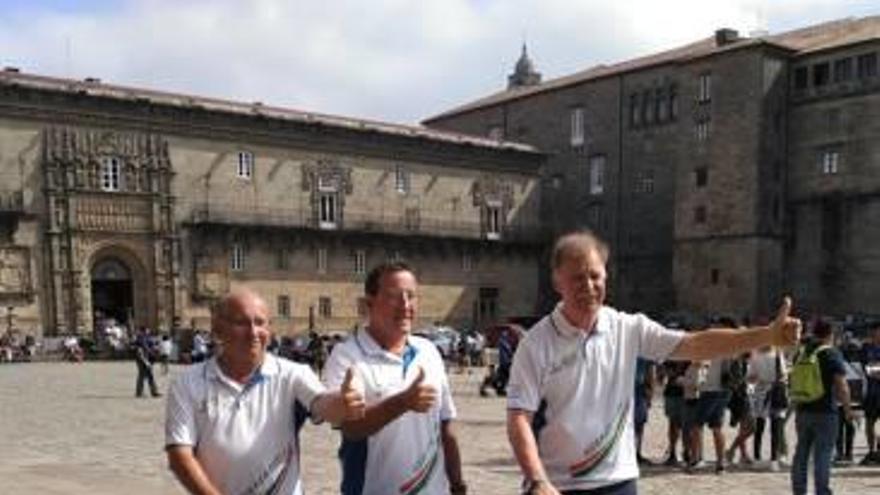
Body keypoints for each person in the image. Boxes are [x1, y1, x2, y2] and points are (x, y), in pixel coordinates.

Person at [506, 230, 801, 495]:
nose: (588, 286)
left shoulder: (628, 328)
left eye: (595, 276)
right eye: (577, 278)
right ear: (557, 280)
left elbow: (695, 344)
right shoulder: (536, 344)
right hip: (558, 485)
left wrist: (765, 335)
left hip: (619, 482)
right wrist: (536, 479)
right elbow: (519, 417)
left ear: (606, 276)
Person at [165, 289, 365, 495]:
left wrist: (342, 404)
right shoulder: (187, 383)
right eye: (241, 323)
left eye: (260, 323)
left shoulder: (292, 374)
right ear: (217, 330)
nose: (253, 332)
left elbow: (322, 404)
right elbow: (179, 455)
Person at [322, 262, 467, 495]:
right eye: (394, 297)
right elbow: (350, 428)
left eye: (411, 296)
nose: (405, 306)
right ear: (369, 303)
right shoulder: (347, 357)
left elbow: (446, 425)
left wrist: (458, 484)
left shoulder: (428, 351)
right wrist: (403, 402)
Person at [790, 319, 854, 495]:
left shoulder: (801, 353)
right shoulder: (830, 353)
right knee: (823, 454)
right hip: (826, 411)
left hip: (803, 409)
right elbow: (841, 385)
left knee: (801, 453)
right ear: (830, 334)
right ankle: (822, 491)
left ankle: (799, 490)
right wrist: (848, 409)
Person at [862, 326, 880, 465]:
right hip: (871, 393)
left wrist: (874, 369)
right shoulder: (866, 348)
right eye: (873, 332)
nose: (875, 335)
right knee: (870, 422)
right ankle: (872, 451)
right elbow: (866, 369)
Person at [134, 328, 161, 398]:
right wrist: (146, 361)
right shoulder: (140, 340)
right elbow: (140, 352)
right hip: (143, 360)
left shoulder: (146, 339)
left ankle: (153, 392)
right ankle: (140, 392)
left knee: (148, 376)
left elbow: (150, 348)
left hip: (147, 360)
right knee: (143, 376)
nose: (148, 332)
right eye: (146, 331)